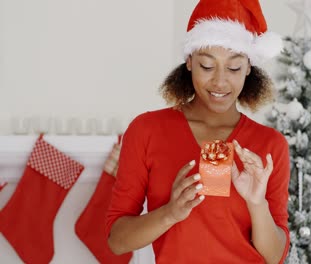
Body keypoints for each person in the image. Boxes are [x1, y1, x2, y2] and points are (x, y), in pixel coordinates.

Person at [106, 0, 290, 263]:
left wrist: (257, 202)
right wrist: (170, 213)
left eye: (234, 67)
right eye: (207, 66)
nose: (220, 81)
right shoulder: (147, 130)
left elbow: (274, 257)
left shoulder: (271, 144)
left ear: (249, 67)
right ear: (189, 61)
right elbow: (117, 241)